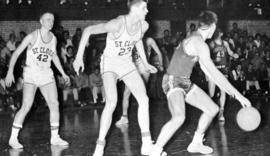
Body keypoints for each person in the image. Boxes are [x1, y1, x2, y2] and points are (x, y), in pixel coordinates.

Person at [149, 11, 251, 156]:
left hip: (184, 81)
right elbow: (215, 73)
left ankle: (196, 143)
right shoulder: (199, 43)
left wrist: (227, 89)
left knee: (212, 109)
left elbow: (210, 73)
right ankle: (155, 151)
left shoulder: (195, 38)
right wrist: (239, 96)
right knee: (179, 117)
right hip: (173, 80)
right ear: (213, 26)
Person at [73, 1, 157, 156]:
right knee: (111, 102)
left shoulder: (143, 25)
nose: (147, 10)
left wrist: (145, 63)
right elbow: (88, 30)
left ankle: (146, 144)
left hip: (126, 63)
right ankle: (99, 146)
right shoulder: (117, 24)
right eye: (144, 7)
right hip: (110, 63)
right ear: (134, 9)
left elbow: (138, 40)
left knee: (144, 99)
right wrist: (79, 57)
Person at [5, 12, 70, 149]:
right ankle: (13, 138)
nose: (51, 22)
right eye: (48, 19)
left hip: (46, 73)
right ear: (41, 21)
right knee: (26, 106)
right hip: (31, 73)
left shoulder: (53, 38)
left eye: (52, 20)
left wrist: (63, 73)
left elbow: (54, 57)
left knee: (54, 103)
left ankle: (55, 137)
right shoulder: (32, 36)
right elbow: (16, 53)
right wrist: (10, 71)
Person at [115, 37, 163, 126]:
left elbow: (159, 53)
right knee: (126, 93)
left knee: (142, 96)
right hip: (133, 69)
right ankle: (124, 117)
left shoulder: (149, 40)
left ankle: (144, 117)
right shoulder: (131, 39)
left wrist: (161, 65)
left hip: (144, 70)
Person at [208, 28, 239, 121]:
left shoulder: (225, 43)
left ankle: (221, 112)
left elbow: (230, 52)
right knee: (211, 93)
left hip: (223, 70)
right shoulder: (212, 44)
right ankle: (209, 110)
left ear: (221, 33)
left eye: (218, 32)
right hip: (213, 70)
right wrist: (214, 60)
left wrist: (234, 55)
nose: (217, 33)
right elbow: (207, 58)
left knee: (223, 91)